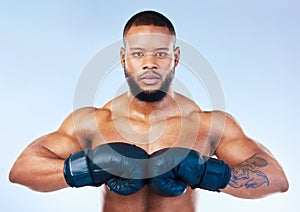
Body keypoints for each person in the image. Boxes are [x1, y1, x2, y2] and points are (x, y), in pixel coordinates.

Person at [9, 10, 288, 211]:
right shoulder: (92, 122)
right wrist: (88, 168)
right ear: (123, 59)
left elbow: (276, 179)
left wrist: (206, 172)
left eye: (161, 54)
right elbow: (22, 169)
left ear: (175, 58)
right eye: (138, 53)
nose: (149, 63)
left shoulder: (207, 124)